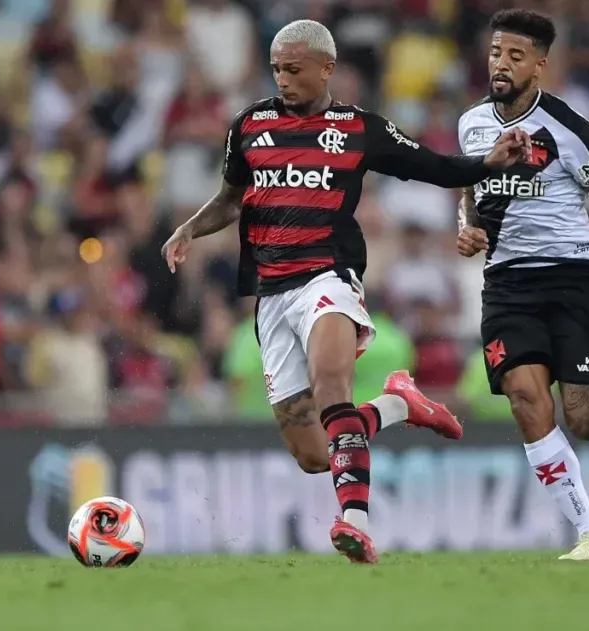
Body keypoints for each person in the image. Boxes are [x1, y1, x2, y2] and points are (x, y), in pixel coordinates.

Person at [161, 20, 531, 565]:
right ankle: (397, 404)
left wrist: (487, 162)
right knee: (312, 454)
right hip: (271, 294)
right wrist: (190, 227)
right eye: (276, 70)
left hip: (326, 279)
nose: (282, 80)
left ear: (326, 69)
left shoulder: (360, 129)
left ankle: (354, 522)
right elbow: (229, 198)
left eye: (293, 69)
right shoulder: (250, 126)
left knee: (331, 384)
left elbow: (435, 167)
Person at [456, 9, 589, 562]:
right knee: (526, 400)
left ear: (539, 65)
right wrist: (468, 227)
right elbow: (469, 186)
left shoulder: (572, 130)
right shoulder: (471, 124)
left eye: (514, 56)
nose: (501, 64)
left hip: (572, 277)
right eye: (495, 53)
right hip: (507, 285)